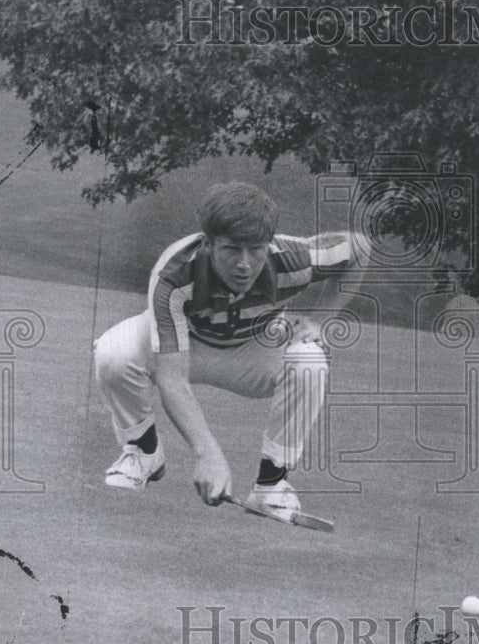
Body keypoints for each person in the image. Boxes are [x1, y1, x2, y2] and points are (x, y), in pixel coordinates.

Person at [93, 181, 367, 521]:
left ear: (269, 243)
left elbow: (360, 247)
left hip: (253, 349)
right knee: (113, 351)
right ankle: (144, 452)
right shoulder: (174, 274)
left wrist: (321, 321)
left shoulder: (295, 259)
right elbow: (172, 378)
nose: (244, 264)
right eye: (231, 249)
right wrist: (208, 455)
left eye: (256, 249)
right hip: (186, 346)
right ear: (208, 244)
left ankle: (271, 487)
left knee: (310, 360)